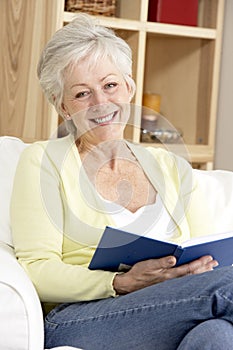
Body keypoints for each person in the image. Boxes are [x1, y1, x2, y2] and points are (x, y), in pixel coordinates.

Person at [10, 14, 233, 350]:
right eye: (82, 94)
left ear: (129, 87)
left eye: (110, 85)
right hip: (83, 319)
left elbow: (209, 258)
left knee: (216, 336)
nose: (101, 104)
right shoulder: (43, 161)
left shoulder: (170, 166)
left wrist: (194, 271)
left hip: (173, 308)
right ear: (63, 107)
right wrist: (120, 282)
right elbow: (37, 269)